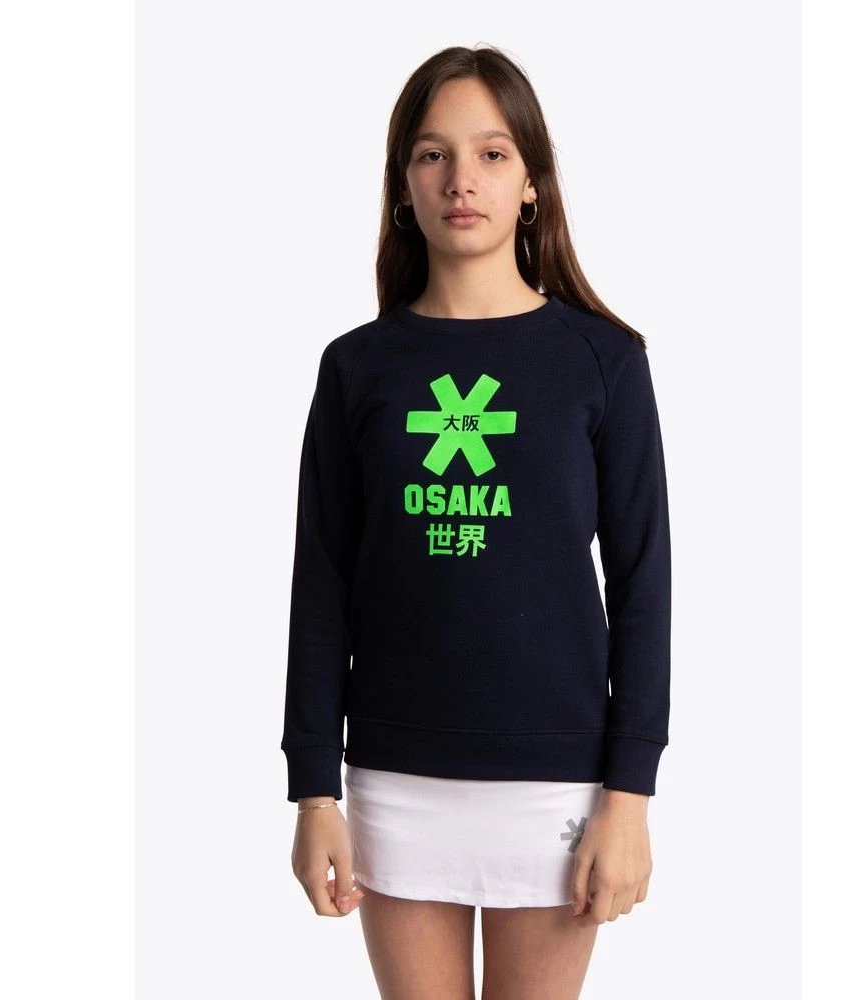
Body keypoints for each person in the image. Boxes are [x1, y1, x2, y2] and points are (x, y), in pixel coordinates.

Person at [281, 44, 672, 1000]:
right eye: (433, 155)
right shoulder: (356, 368)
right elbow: (321, 584)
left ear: (532, 181)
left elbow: (644, 586)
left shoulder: (603, 361)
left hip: (557, 781)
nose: (462, 180)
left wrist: (629, 796)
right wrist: (314, 789)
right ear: (402, 184)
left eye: (493, 155)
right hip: (395, 777)